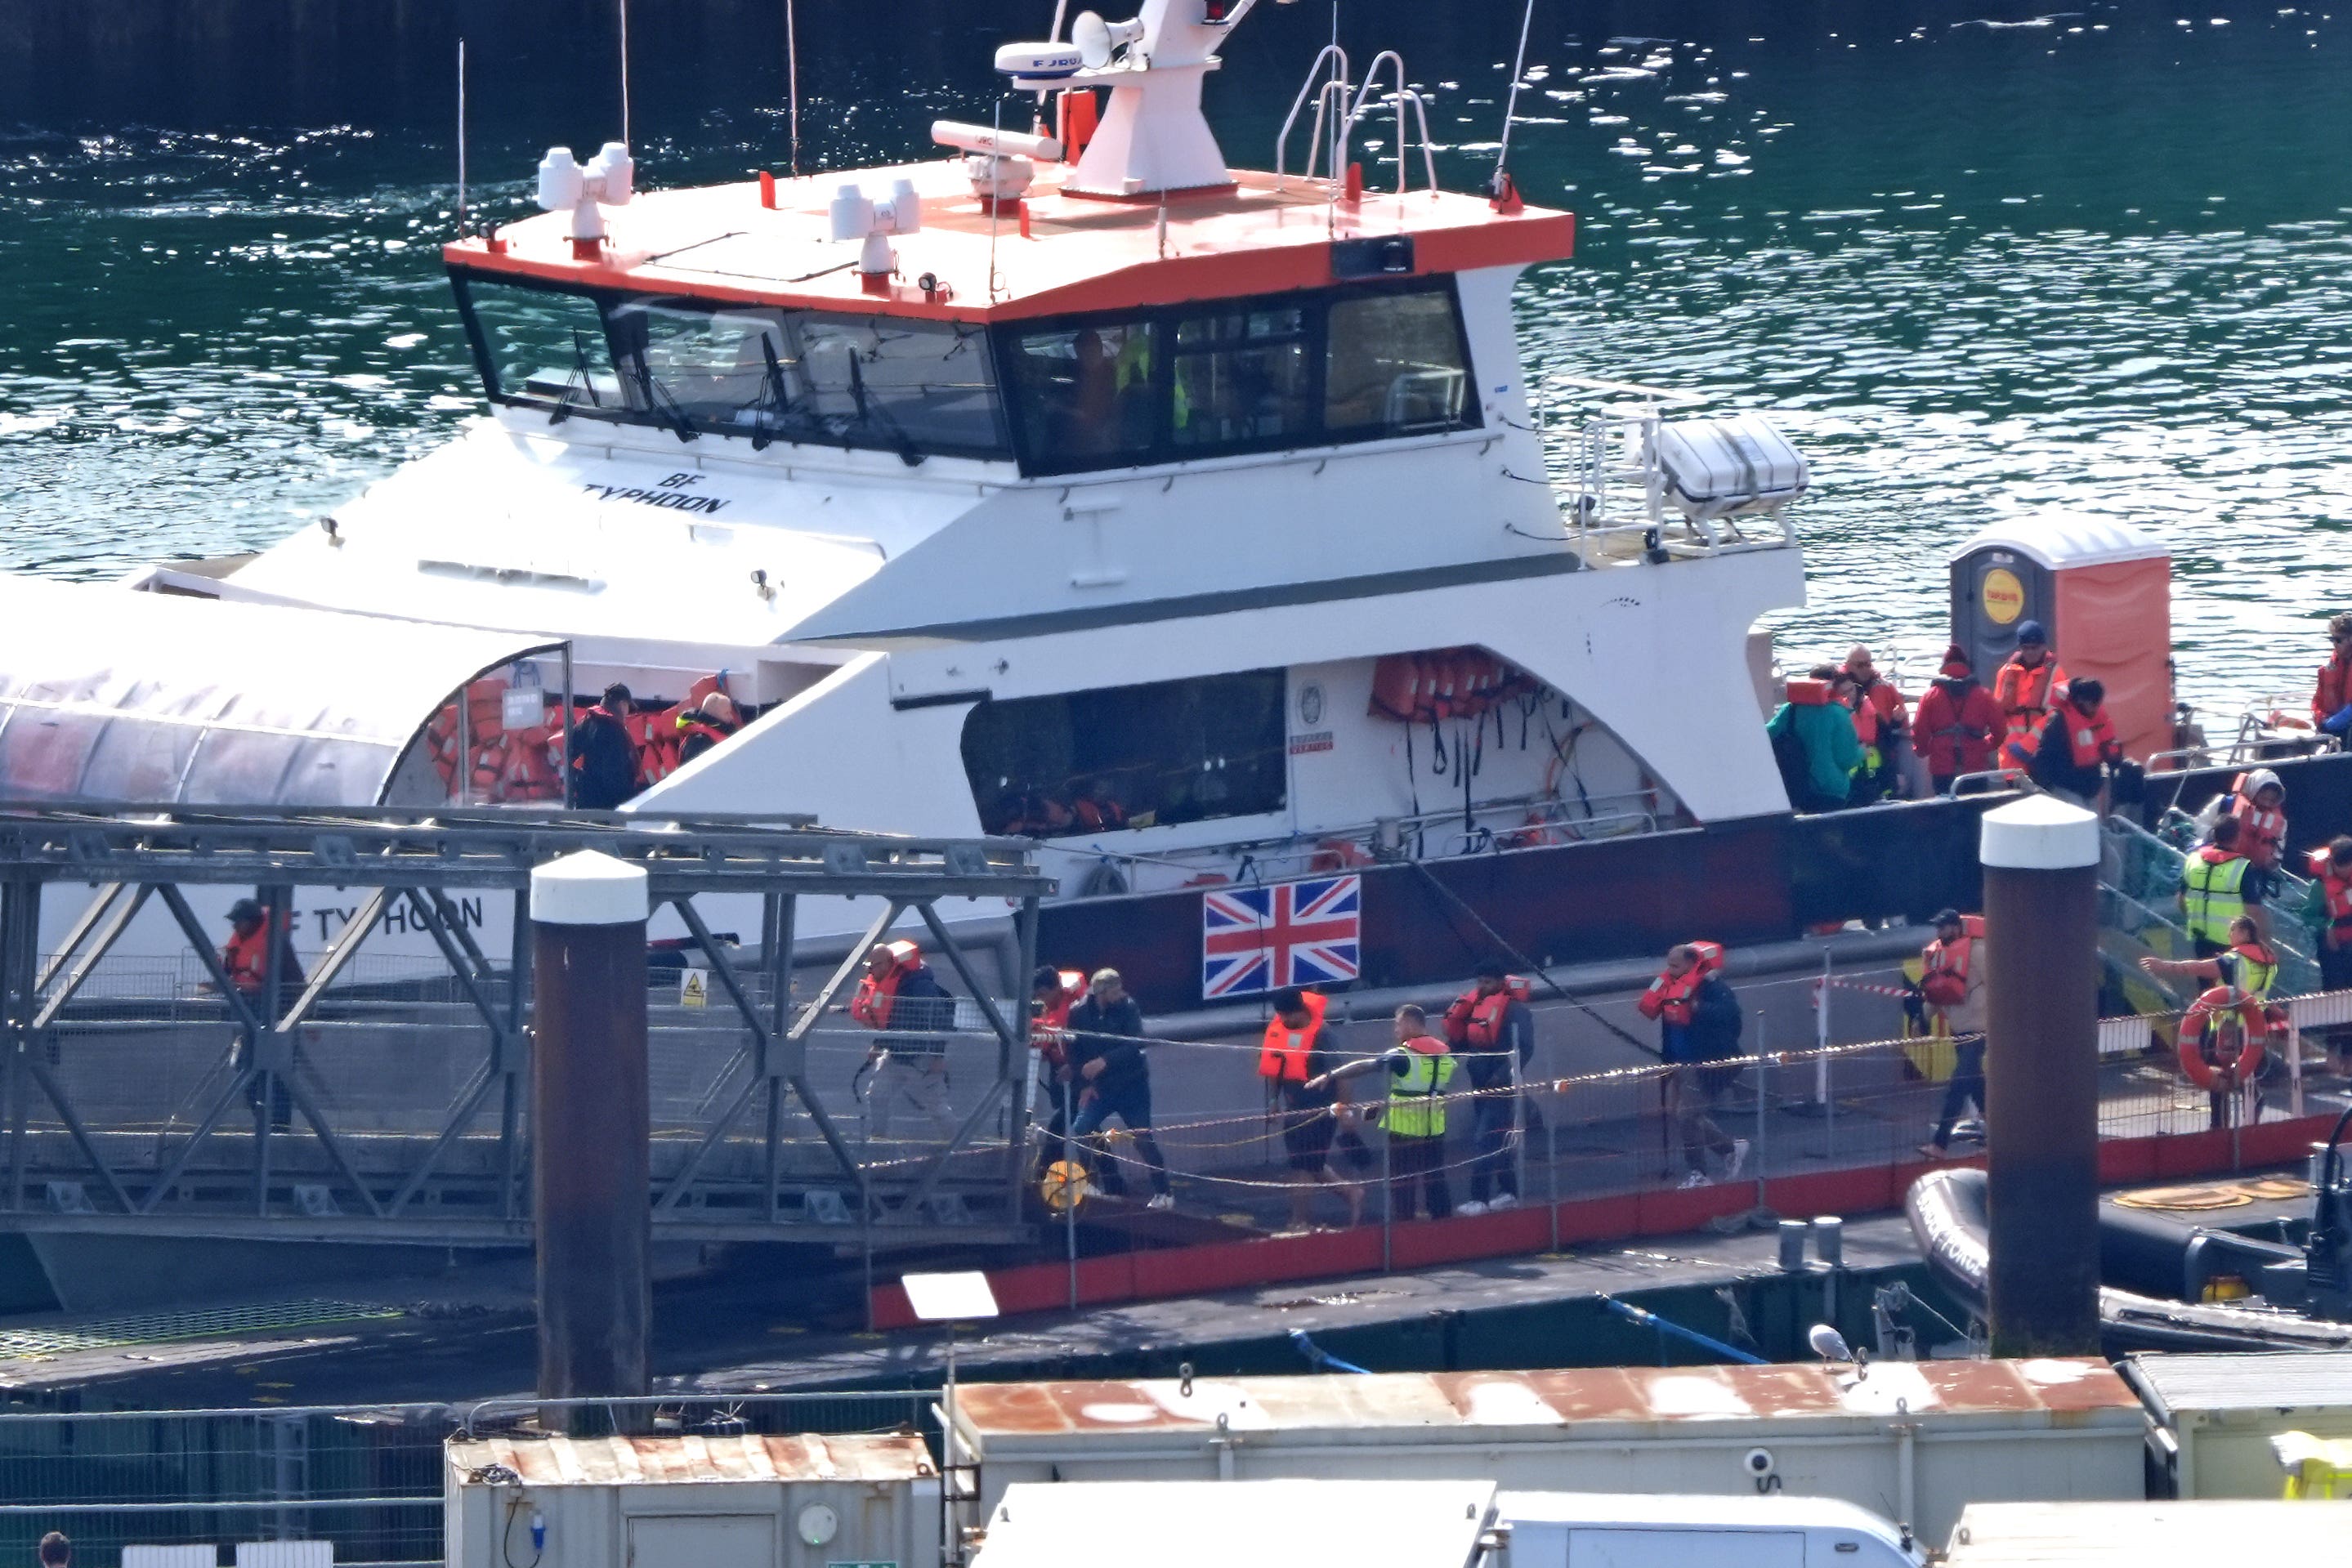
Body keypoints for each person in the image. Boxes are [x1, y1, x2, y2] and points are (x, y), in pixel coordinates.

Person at [1308, 1005, 1457, 1222]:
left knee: (1402, 1182)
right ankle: (1443, 1224)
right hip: (1434, 1127)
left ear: (1409, 1022)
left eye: (1397, 1023)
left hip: (1404, 1129)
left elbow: (1364, 1066)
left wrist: (1329, 1075)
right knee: (1435, 1178)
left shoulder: (1402, 1054)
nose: (1395, 1029)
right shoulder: (1445, 1053)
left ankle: (1404, 1226)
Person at [2143, 915, 2282, 1129]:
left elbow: (2196, 967)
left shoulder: (2235, 960)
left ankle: (2218, 1123)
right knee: (2243, 1070)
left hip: (2228, 1024)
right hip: (2254, 1024)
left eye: (2233, 931)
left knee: (2216, 1072)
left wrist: (2164, 966)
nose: (2229, 935)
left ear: (2245, 933)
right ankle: (2249, 1106)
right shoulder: (2268, 960)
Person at [1637, 943, 1747, 1186]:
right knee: (1688, 1116)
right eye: (1669, 965)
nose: (1670, 969)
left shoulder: (1713, 987)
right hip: (1680, 1063)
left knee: (1687, 1116)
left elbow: (1730, 1014)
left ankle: (1699, 1173)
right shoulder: (1670, 986)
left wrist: (1698, 1008)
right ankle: (1730, 1149)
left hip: (1705, 1064)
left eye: (1675, 965)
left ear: (1691, 963)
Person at [1062, 968, 1174, 1208]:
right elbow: (1074, 1051)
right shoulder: (1078, 1013)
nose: (1120, 994)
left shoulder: (1129, 1007)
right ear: (1101, 992)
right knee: (1081, 1128)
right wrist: (1083, 1085)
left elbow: (1135, 1043)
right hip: (1101, 1088)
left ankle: (1164, 1192)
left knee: (1142, 1137)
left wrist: (1105, 1061)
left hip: (1133, 1085)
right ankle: (1091, 1182)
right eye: (1115, 990)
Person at [1257, 987, 1363, 1231]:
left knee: (1302, 1167)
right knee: (1310, 1163)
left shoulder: (1323, 1035)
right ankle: (1351, 1194)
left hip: (1321, 1111)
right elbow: (1275, 1067)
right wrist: (1273, 1101)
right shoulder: (1280, 1030)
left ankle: (1299, 1221)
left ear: (1299, 1011)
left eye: (1287, 1016)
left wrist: (1344, 1109)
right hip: (1294, 1109)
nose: (1283, 1021)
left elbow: (1343, 1074)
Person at [1443, 962, 1536, 1216]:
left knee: (1484, 1138)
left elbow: (1525, 1048)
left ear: (1499, 982)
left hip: (1501, 1087)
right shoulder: (1476, 1007)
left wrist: (1502, 1075)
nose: (1481, 987)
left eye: (1487, 982)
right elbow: (1462, 1041)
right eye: (1479, 982)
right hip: (1479, 1083)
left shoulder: (1515, 1010)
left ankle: (1479, 1198)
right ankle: (1509, 1193)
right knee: (1497, 1139)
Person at [852, 940, 956, 1140]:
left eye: (874, 966)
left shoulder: (918, 986)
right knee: (876, 1095)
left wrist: (938, 1055)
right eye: (868, 967)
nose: (871, 972)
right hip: (895, 1054)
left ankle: (954, 1145)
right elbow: (890, 1020)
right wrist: (878, 1044)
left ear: (887, 964)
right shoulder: (884, 985)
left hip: (922, 1057)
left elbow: (939, 1020)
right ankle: (878, 1140)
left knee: (937, 1107)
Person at [1916, 909, 1988, 1159]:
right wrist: (1922, 1018)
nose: (1940, 932)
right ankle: (2002, 1138)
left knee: (1958, 1084)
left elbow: (2003, 982)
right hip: (1960, 1030)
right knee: (1976, 1085)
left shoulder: (1978, 952)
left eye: (1944, 927)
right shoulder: (1941, 956)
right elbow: (1938, 991)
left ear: (1956, 927)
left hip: (1980, 1029)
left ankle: (1940, 1143)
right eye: (1938, 928)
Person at [1765, 667, 1863, 813]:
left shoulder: (1790, 710)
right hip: (1830, 791)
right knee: (1829, 834)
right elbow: (1846, 759)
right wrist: (1863, 752)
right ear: (1832, 688)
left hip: (1795, 787)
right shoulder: (1839, 714)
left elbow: (1766, 736)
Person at [1915, 645, 2003, 793]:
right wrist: (1984, 746)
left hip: (1942, 769)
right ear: (1966, 666)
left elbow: (1919, 731)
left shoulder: (1930, 697)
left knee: (1945, 812)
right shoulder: (1984, 695)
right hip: (1975, 768)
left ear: (1944, 666)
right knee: (1974, 812)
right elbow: (2001, 730)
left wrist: (1926, 750)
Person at [2182, 815, 2271, 958]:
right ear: (2238, 837)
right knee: (2232, 981)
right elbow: (2254, 912)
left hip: (2202, 939)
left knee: (2206, 979)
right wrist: (2264, 943)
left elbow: (2181, 900)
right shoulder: (2242, 867)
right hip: (2234, 945)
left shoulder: (2193, 860)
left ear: (2214, 834)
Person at [2025, 677, 2122, 808]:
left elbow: (2110, 749)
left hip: (2091, 785)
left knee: (2093, 824)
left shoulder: (2099, 718)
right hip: (2065, 785)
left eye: (2098, 703)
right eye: (2093, 703)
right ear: (2080, 700)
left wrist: (2115, 761)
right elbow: (2043, 758)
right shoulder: (2059, 721)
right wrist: (2047, 787)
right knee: (2081, 823)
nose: (2096, 707)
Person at [1992, 622, 2068, 771]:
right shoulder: (2006, 672)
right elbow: (1998, 712)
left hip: (2041, 753)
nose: (2030, 652)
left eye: (2035, 648)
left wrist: (2027, 745)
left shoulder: (2056, 673)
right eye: (2026, 648)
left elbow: (2057, 715)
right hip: (2011, 755)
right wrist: (2012, 741)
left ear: (2043, 647)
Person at [1843, 646, 1910, 803]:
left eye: (1868, 664)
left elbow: (1889, 733)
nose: (1866, 669)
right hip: (1851, 766)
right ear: (1848, 665)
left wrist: (1896, 721)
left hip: (1878, 762)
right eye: (1860, 665)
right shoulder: (1836, 690)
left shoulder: (1883, 688)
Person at [2307, 838, 2352, 1073]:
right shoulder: (2319, 885)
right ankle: (2334, 1051)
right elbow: (2309, 916)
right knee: (2335, 999)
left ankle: (2349, 1055)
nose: (2344, 869)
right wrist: (2327, 928)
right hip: (2333, 951)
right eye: (2340, 864)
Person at [567, 682, 642, 809]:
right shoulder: (614, 731)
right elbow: (614, 773)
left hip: (585, 800)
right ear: (622, 704)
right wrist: (629, 798)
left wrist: (579, 783)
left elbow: (568, 754)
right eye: (628, 707)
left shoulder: (586, 723)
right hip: (607, 805)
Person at [2223, 768, 2288, 871]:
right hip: (2224, 863)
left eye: (2271, 800)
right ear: (2254, 791)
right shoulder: (2227, 804)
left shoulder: (2281, 823)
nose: (2267, 803)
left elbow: (2279, 848)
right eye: (2263, 798)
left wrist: (2273, 864)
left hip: (2256, 871)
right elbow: (2203, 824)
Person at [674, 691, 739, 766]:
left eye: (730, 712)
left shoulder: (727, 732)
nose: (731, 717)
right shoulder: (698, 742)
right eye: (726, 713)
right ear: (714, 715)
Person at [2314, 611, 2352, 738]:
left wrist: (2334, 723)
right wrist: (2321, 719)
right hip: (2332, 728)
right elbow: (2318, 701)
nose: (2334, 644)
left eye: (2338, 640)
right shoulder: (2330, 667)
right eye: (2332, 639)